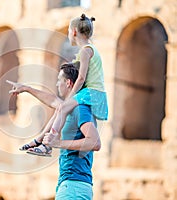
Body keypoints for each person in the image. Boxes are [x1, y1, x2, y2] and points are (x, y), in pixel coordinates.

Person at [15, 13, 108, 156]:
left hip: (91, 92)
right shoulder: (87, 50)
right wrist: (27, 88)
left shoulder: (85, 51)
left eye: (69, 31)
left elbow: (82, 77)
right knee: (60, 108)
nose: (68, 34)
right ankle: (40, 139)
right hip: (91, 92)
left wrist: (71, 96)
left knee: (63, 107)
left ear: (74, 32)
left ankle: (47, 144)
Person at [7, 62, 100, 199]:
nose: (57, 85)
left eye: (59, 81)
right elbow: (52, 101)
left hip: (73, 186)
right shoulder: (69, 108)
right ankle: (39, 141)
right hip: (71, 185)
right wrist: (26, 88)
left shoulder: (80, 109)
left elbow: (95, 143)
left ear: (68, 83)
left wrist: (58, 143)